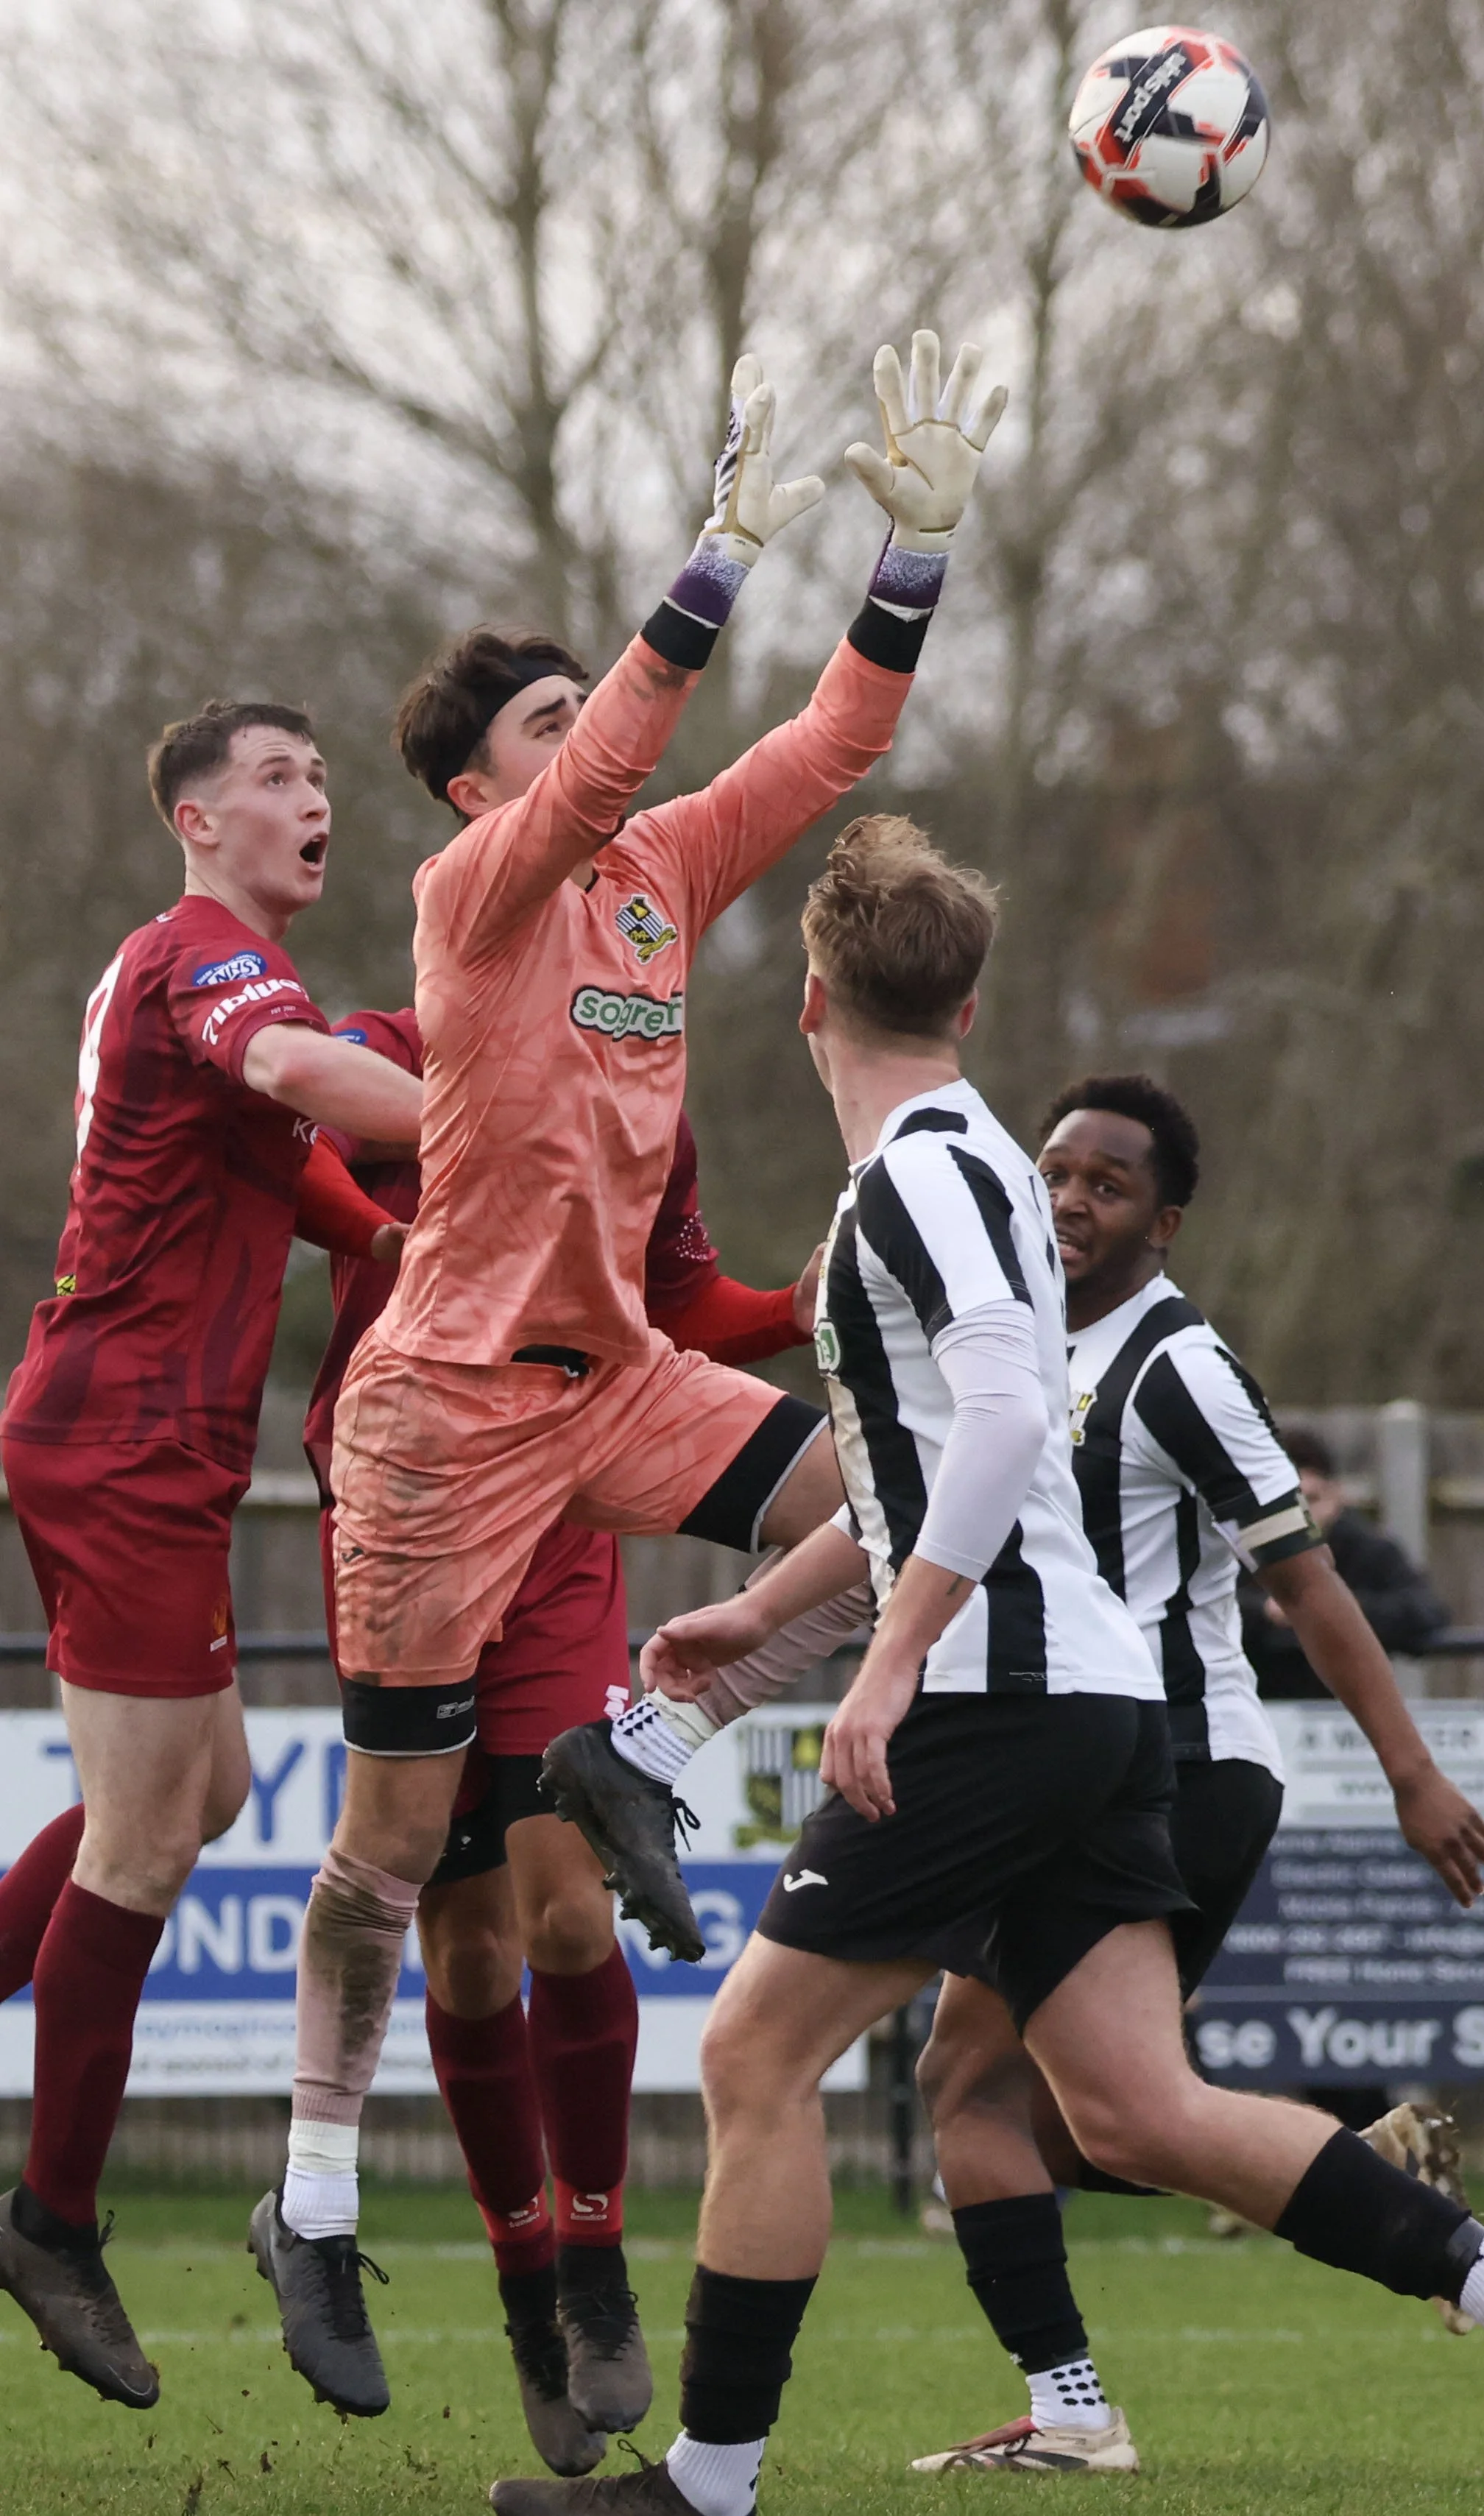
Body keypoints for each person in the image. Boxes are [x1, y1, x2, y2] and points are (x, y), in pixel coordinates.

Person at [492, 817, 1484, 2516]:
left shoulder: (922, 1177)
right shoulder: (972, 1168)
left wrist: (885, 1664)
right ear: (964, 1003)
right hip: (1094, 1707)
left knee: (750, 2060)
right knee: (1125, 2106)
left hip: (997, 1706)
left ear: (808, 1000)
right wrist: (760, 1618)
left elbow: (1013, 1421)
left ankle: (704, 2486)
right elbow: (969, 1460)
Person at [251, 333, 1008, 2420]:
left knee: (913, 1502)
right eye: (551, 713)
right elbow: (614, 763)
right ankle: (311, 2197)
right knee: (394, 1861)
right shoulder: (469, 888)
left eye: (592, 695)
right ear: (483, 781)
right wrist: (709, 554)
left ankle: (638, 1751)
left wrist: (909, 549)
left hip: (617, 1379)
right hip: (446, 1412)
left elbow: (835, 736)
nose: (593, 730)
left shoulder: (660, 876)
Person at [906, 1071, 1484, 2470]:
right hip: (1071, 1768)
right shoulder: (1011, 1345)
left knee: (999, 2094)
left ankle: (1076, 2409)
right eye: (1053, 1171)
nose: (1067, 1200)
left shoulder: (1181, 1366)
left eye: (1105, 1184)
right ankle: (1354, 2162)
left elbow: (1312, 1584)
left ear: (1162, 1222)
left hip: (1181, 1766)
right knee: (1080, 2120)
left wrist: (1412, 1773)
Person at [304, 996, 818, 2467]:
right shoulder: (387, 1044)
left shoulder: (642, 1072)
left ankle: (594, 2261)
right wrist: (399, 1238)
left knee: (573, 1913)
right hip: (407, 1516)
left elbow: (680, 1305)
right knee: (460, 1948)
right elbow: (299, 1175)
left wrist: (795, 1305)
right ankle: (527, 2288)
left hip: (561, 1533)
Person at [0, 699, 423, 2409]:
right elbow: (306, 1082)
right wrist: (494, 1114)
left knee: (212, 1790)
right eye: (274, 779)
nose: (311, 800)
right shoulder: (206, 963)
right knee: (151, 1832)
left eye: (319, 779)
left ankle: (48, 2206)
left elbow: (301, 1169)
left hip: (137, 1436)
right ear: (196, 820)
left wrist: (406, 1225)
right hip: (121, 1439)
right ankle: (53, 2215)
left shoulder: (193, 972)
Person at [1243, 1424, 1450, 1700]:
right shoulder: (1243, 1551)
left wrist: (1338, 1607)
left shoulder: (1369, 1551)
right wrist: (1266, 1613)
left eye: (1312, 1500)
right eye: (1287, 1505)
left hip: (1350, 1724)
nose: (1302, 1517)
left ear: (1336, 1496)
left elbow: (1426, 1613)